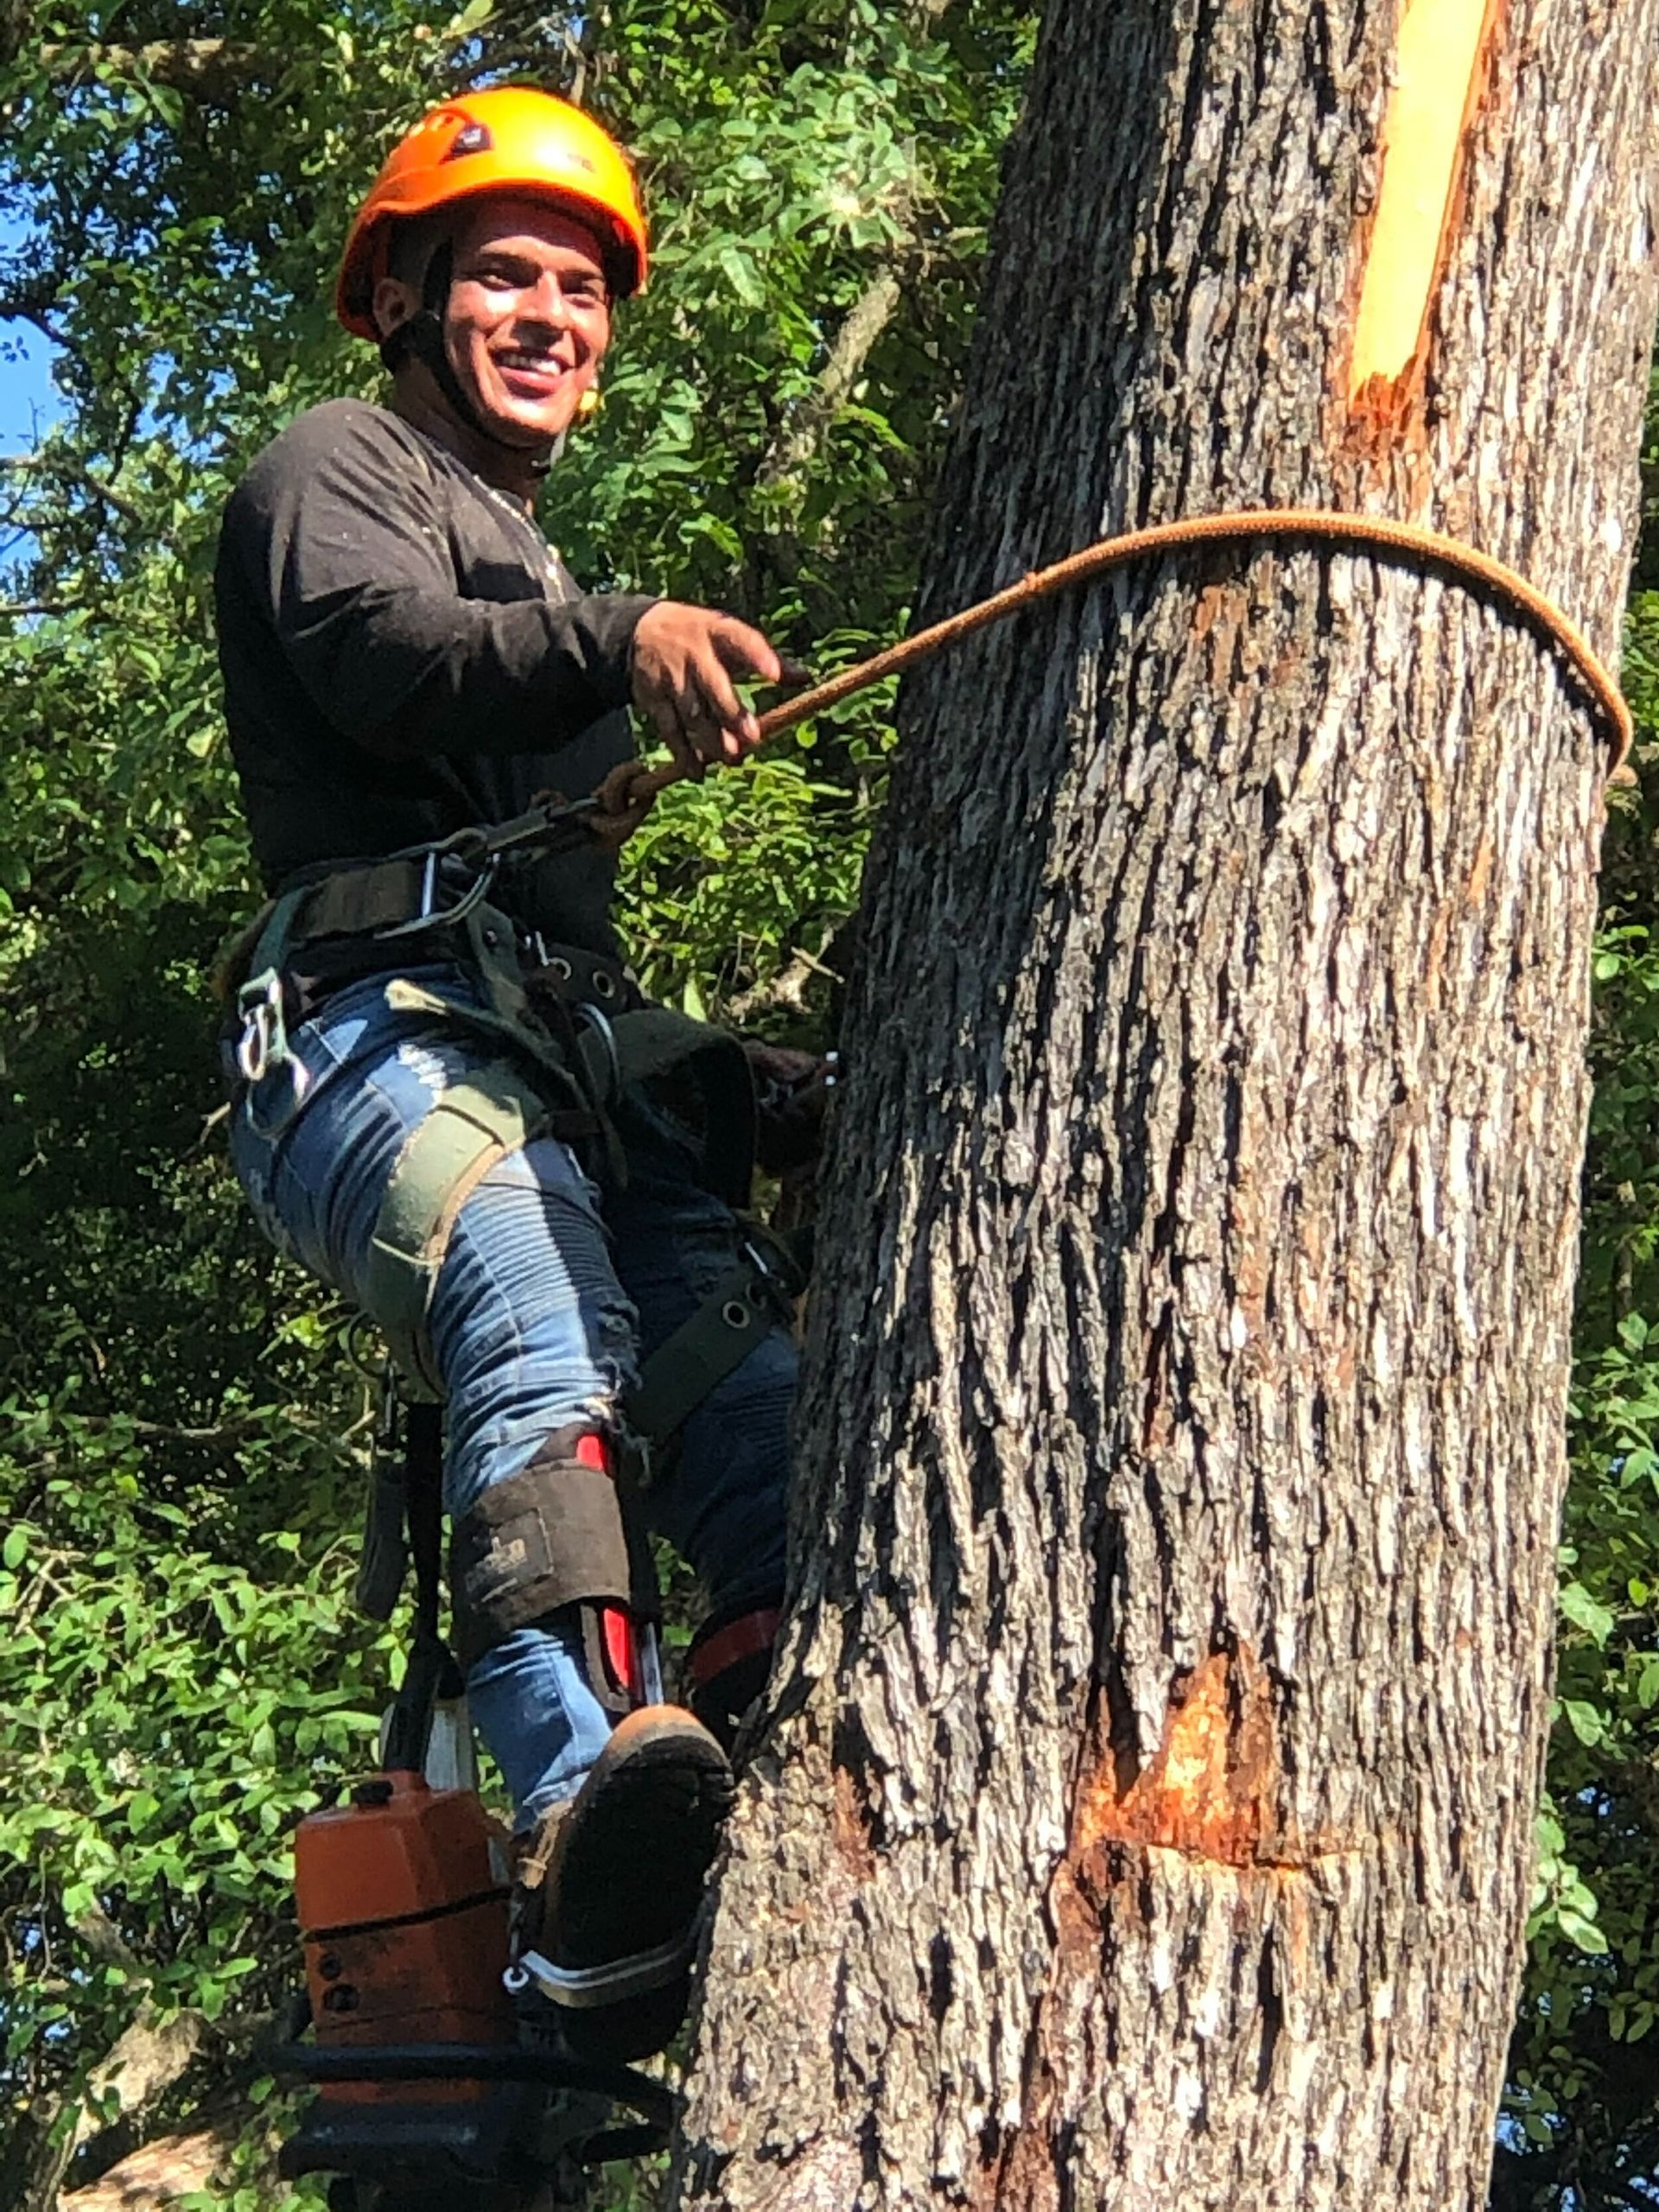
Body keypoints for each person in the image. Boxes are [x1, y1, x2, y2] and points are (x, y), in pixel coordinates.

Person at [213, 84, 796, 2063]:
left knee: (738, 1359)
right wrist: (619, 637)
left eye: (580, 286)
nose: (550, 313)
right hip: (370, 1043)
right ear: (407, 295)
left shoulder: (548, 585)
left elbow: (580, 956)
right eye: (506, 275)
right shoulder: (340, 468)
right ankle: (576, 1798)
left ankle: (779, 1673)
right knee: (542, 1294)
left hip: (554, 1057)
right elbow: (381, 657)